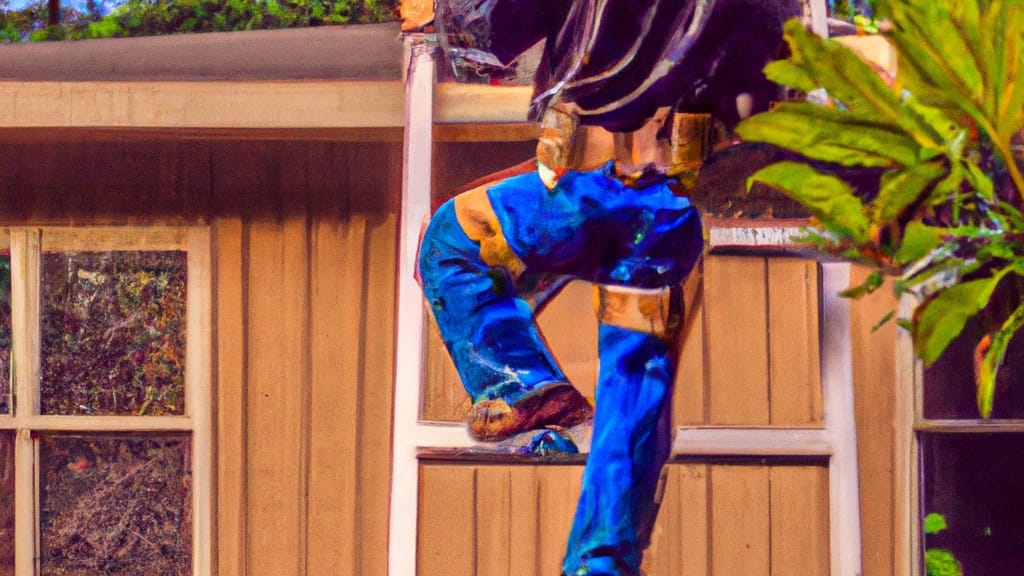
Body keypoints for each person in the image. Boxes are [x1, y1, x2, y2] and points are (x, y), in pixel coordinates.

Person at [419, 1, 800, 573]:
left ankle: (527, 395)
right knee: (457, 241)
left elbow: (483, 28)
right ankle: (531, 398)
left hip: (655, 203)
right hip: (627, 200)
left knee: (458, 242)